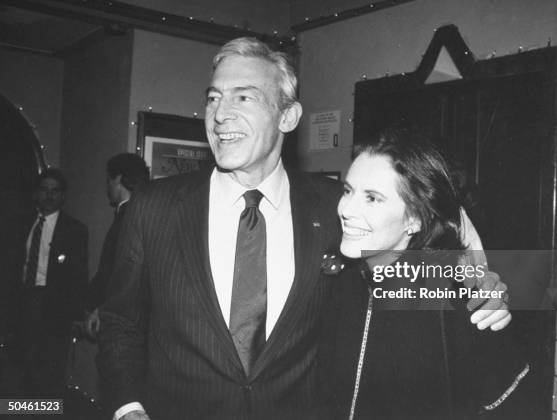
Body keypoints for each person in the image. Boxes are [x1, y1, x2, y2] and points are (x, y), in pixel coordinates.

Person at [97, 37, 509, 420]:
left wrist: (478, 283)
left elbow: (415, 247)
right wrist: (128, 406)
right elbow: (121, 324)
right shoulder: (153, 208)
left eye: (244, 97)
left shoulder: (337, 208)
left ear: (288, 116)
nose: (221, 114)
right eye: (214, 98)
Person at [317, 131, 530, 419]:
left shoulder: (456, 296)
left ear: (415, 219)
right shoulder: (339, 279)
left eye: (372, 198)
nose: (346, 209)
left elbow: (510, 406)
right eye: (347, 190)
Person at [2, 168, 88, 397]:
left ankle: (46, 413)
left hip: (53, 310)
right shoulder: (18, 225)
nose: (49, 196)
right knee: (18, 372)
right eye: (44, 190)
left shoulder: (75, 230)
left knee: (49, 374)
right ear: (36, 194)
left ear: (62, 196)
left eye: (55, 191)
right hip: (21, 306)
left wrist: (77, 315)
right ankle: (18, 413)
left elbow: (79, 276)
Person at [84, 154, 149, 339]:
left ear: (118, 179)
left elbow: (116, 273)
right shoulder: (143, 213)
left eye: (108, 180)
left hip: (120, 320)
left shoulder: (127, 218)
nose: (107, 188)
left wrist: (96, 308)